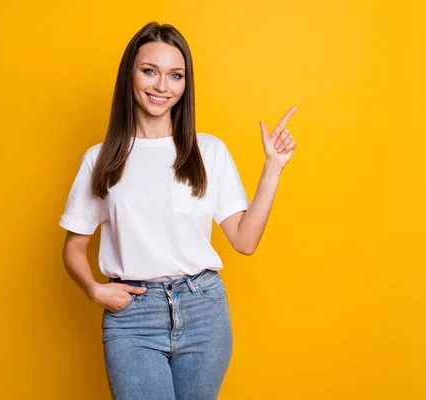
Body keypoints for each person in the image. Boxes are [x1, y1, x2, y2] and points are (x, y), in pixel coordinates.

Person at [58, 21, 297, 400]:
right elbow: (73, 247)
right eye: (149, 71)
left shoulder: (209, 152)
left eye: (175, 75)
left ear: (186, 84)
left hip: (204, 310)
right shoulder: (101, 159)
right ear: (130, 75)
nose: (161, 86)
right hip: (133, 318)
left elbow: (245, 240)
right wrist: (92, 288)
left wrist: (272, 169)